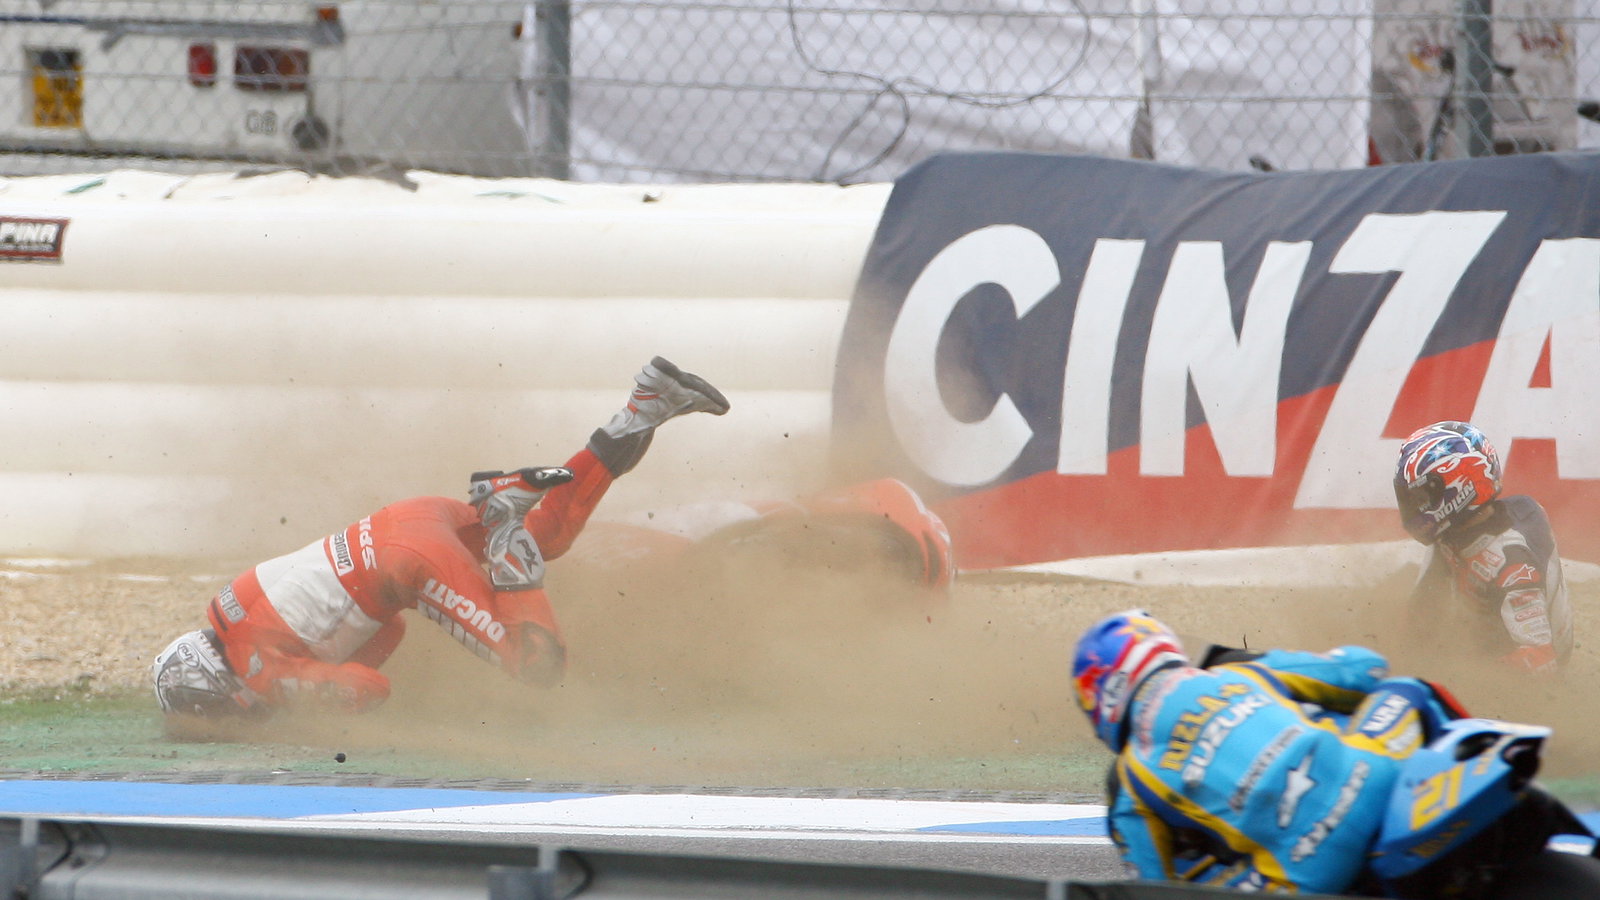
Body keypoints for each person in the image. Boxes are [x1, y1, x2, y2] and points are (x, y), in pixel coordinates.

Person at [151, 357, 730, 720]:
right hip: (408, 521)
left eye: (203, 709)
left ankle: (504, 524)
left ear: (215, 687)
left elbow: (367, 689)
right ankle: (644, 406)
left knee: (535, 664)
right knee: (549, 534)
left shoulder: (258, 667)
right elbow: (387, 629)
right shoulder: (233, 604)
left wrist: (300, 707)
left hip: (407, 560)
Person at [1072, 608, 1470, 894]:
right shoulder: (1240, 671)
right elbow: (1366, 669)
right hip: (1377, 777)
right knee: (1408, 688)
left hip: (1304, 869)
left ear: (1104, 693)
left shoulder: (1129, 779)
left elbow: (1154, 889)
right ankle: (1469, 765)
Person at [1393, 420, 1573, 676]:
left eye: (1422, 497)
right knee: (1438, 552)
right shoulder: (1456, 527)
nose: (1415, 509)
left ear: (1460, 488)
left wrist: (1459, 673)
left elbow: (1542, 660)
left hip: (1513, 660)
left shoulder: (1513, 564)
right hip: (1476, 624)